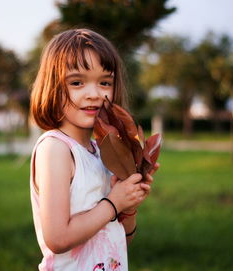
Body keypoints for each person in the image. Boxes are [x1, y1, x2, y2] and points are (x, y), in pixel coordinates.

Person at [29, 28, 159, 270]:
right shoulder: (56, 149)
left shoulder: (102, 151)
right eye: (77, 82)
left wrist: (128, 206)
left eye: (105, 82)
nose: (94, 94)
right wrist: (113, 203)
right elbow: (57, 238)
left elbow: (120, 239)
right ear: (53, 87)